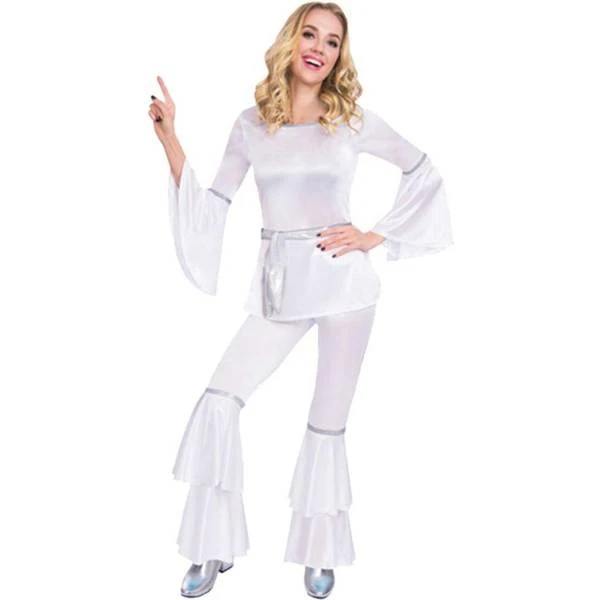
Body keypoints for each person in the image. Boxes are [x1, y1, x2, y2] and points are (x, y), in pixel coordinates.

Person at [149, 2, 453, 597]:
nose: (320, 48)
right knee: (220, 398)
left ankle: (320, 551)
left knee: (326, 423)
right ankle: (212, 545)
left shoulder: (351, 120)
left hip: (345, 288)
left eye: (332, 41)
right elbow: (213, 206)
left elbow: (423, 171)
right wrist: (170, 140)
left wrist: (374, 236)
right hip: (279, 288)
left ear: (340, 55)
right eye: (311, 34)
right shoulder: (251, 125)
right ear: (291, 41)